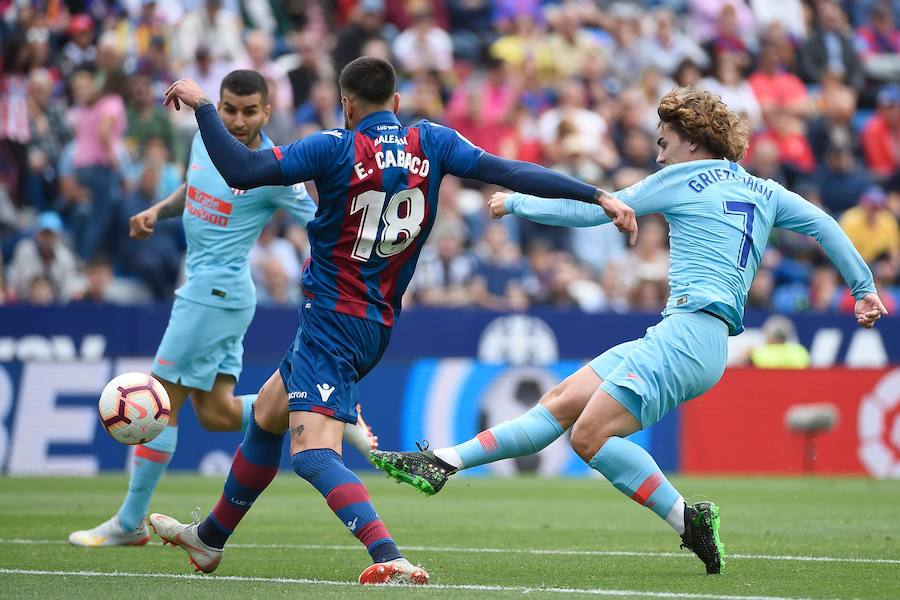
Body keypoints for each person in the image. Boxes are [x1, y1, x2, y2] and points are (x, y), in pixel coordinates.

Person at [152, 56, 636, 585]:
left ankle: (389, 555)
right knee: (267, 415)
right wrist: (596, 193)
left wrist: (202, 107)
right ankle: (209, 540)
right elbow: (513, 170)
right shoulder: (433, 141)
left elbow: (241, 170)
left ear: (347, 104)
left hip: (333, 318)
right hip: (377, 320)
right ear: (397, 103)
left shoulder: (333, 146)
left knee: (313, 454)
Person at [369, 87, 888, 576]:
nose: (659, 156)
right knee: (561, 401)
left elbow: (594, 208)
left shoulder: (686, 177)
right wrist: (862, 287)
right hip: (689, 335)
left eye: (664, 143)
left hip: (688, 335)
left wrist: (518, 202)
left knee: (590, 436)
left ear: (692, 137)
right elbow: (823, 223)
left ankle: (687, 519)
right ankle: (441, 461)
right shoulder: (765, 189)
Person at [68, 70, 376, 549]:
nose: (235, 120)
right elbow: (193, 190)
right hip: (216, 296)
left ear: (266, 113)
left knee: (159, 401)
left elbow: (320, 220)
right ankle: (329, 411)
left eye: (249, 111)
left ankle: (130, 522)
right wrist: (158, 210)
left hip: (213, 294)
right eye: (229, 108)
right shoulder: (204, 139)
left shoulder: (271, 169)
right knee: (215, 413)